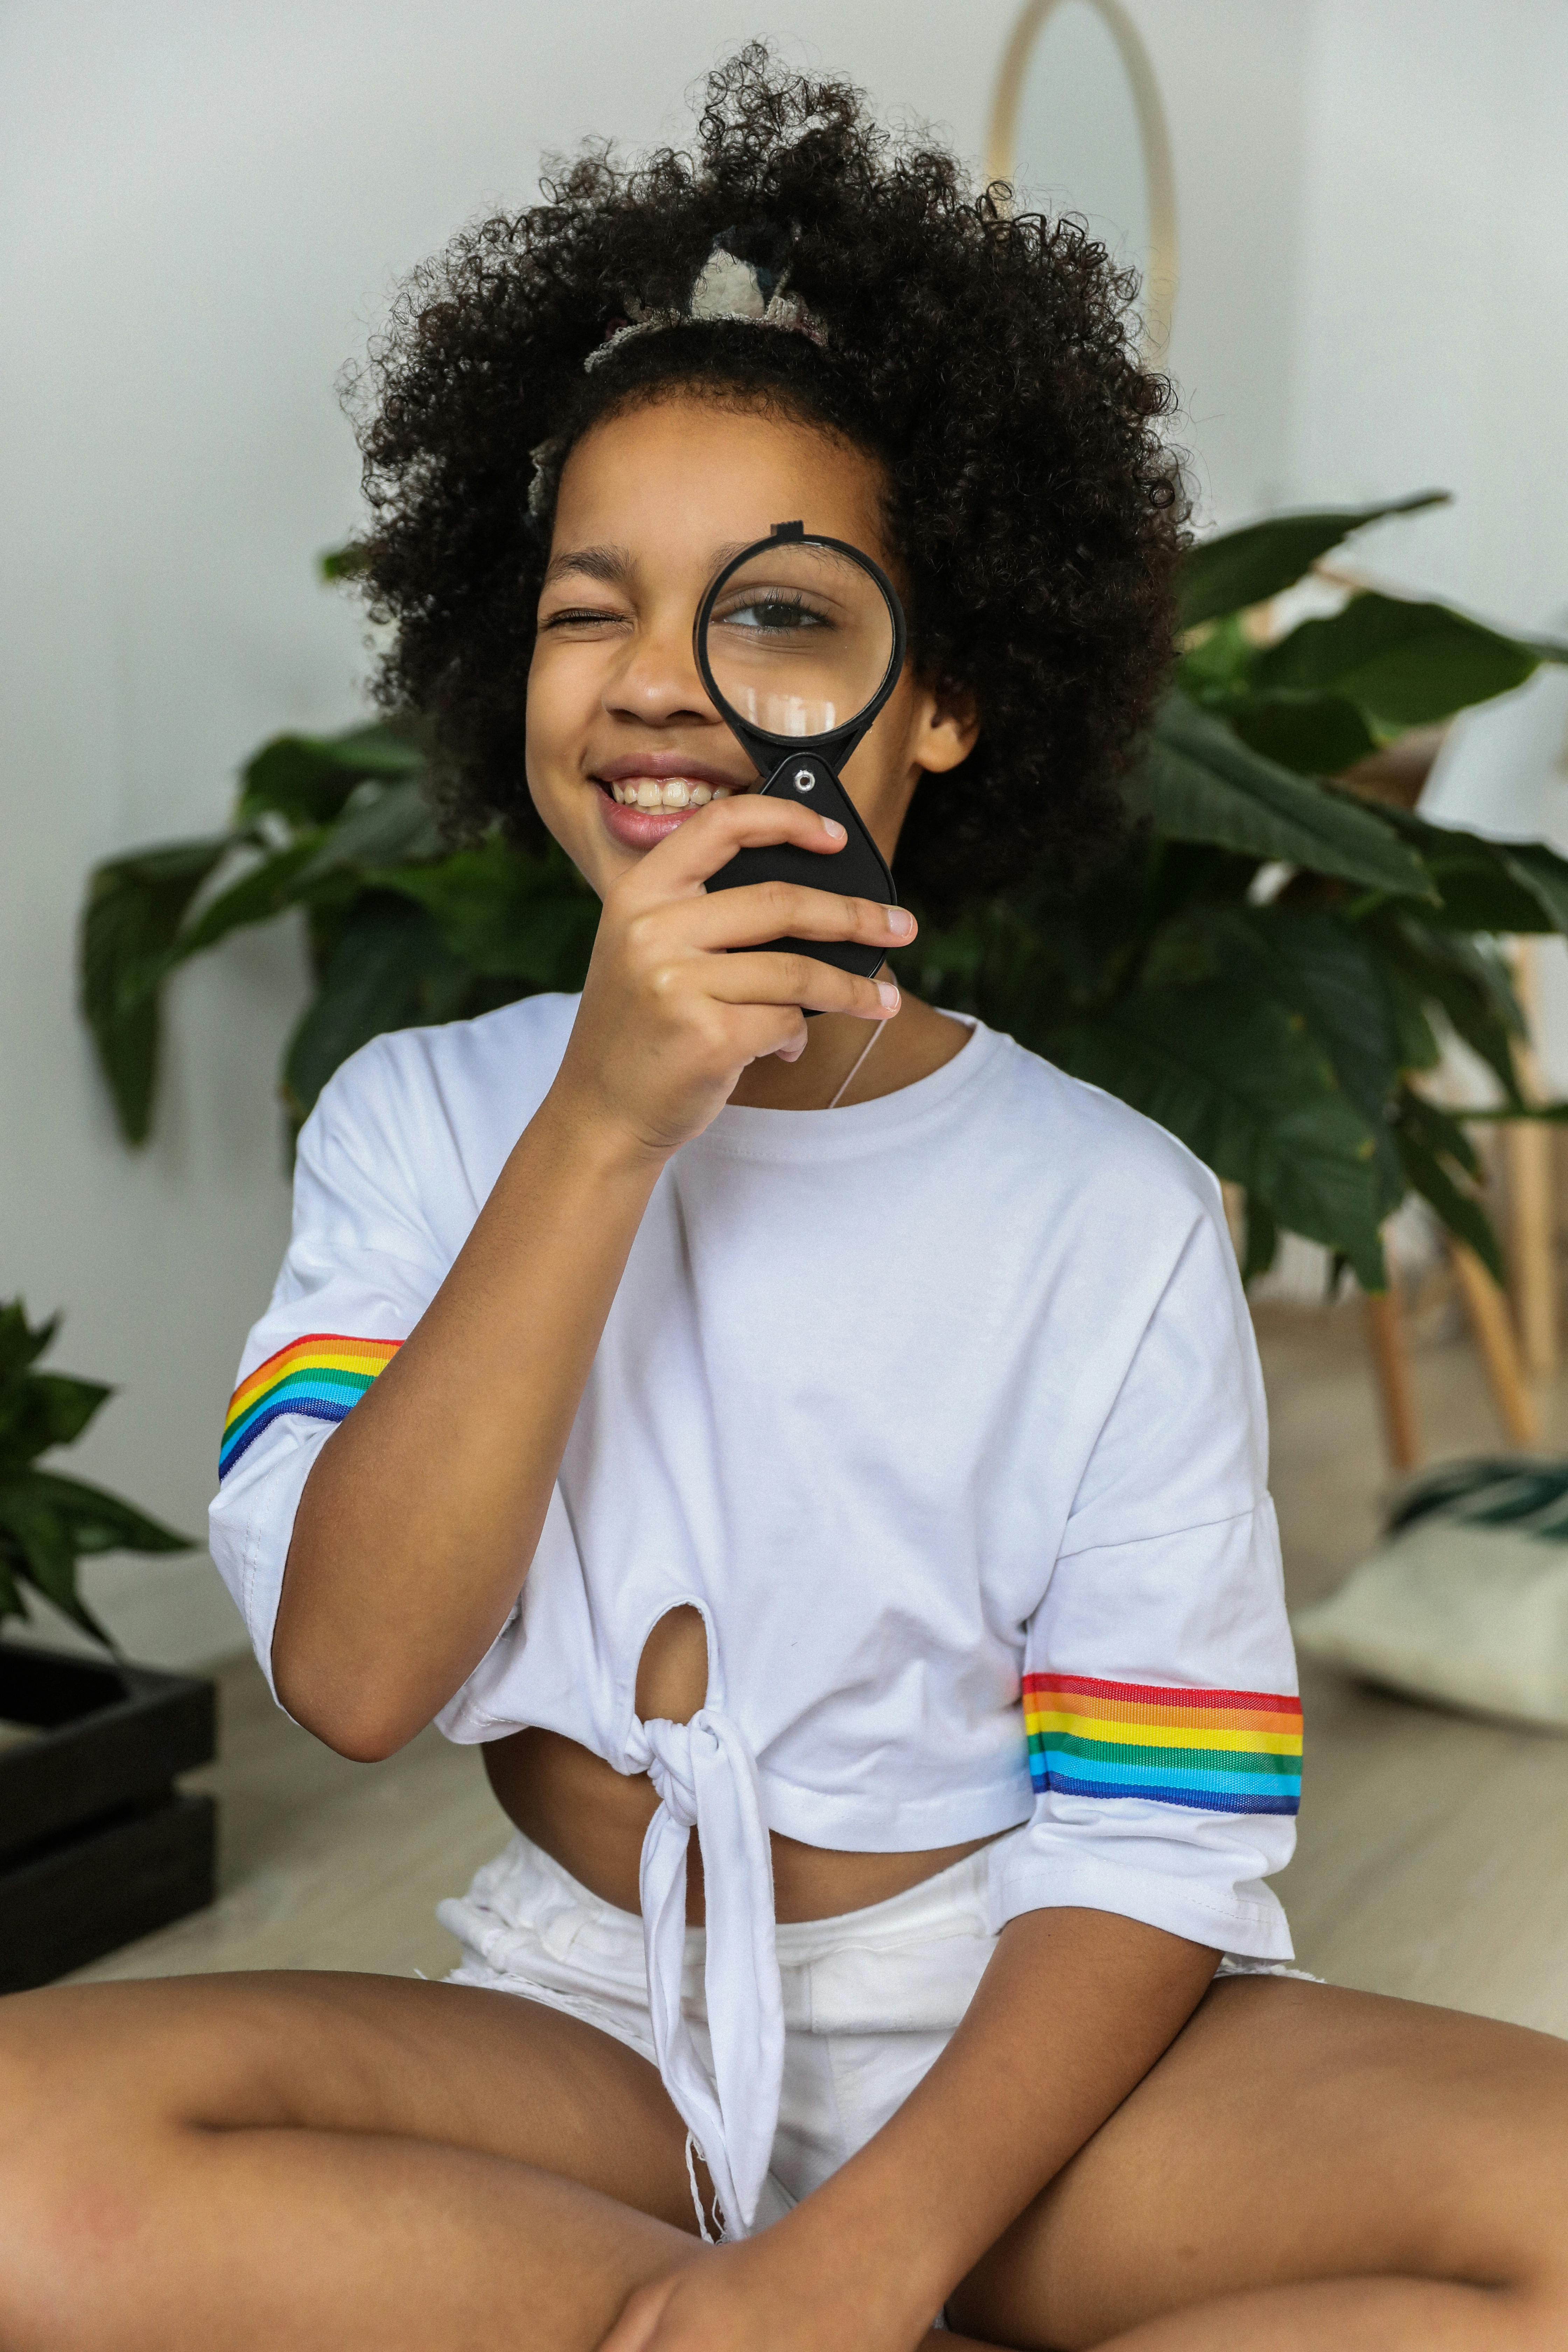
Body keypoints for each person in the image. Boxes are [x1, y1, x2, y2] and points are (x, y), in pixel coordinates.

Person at [5, 48, 1567, 2352]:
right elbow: (346, 1674)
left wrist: (858, 2261)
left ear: (944, 701)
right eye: (588, 607)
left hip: (1026, 2058)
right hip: (600, 2037)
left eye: (784, 618)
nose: (661, 686)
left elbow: (1149, 1848)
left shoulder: (1108, 1212)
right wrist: (609, 1124)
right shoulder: (425, 1126)